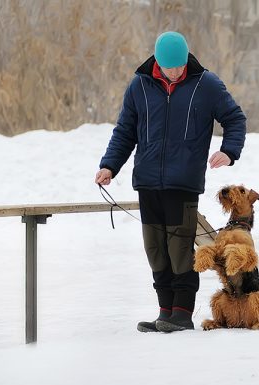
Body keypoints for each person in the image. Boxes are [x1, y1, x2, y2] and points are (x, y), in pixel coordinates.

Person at [95, 31, 246, 333]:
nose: (176, 72)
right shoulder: (140, 85)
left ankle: (181, 313)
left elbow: (234, 118)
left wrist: (229, 151)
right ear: (158, 63)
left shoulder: (206, 84)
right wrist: (110, 165)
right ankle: (165, 311)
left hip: (183, 181)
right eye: (169, 67)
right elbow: (126, 130)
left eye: (179, 66)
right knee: (155, 249)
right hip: (148, 181)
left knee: (179, 249)